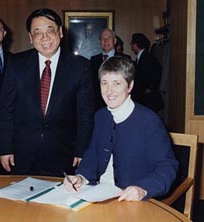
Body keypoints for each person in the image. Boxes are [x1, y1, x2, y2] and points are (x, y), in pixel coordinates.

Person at [64, 56, 178, 201]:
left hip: (133, 200)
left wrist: (143, 189)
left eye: (117, 83)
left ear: (130, 86)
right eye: (104, 83)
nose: (109, 91)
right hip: (99, 194)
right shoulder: (100, 116)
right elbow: (92, 155)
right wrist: (81, 177)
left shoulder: (149, 121)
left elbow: (167, 167)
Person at [0, 8, 95, 177]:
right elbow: (6, 110)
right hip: (21, 154)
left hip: (63, 154)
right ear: (30, 37)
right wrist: (5, 148)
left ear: (60, 32)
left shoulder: (81, 67)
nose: (45, 38)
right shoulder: (16, 64)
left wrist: (81, 150)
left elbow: (85, 114)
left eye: (50, 30)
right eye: (38, 33)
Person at [91, 29, 124, 111]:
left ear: (115, 41)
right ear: (100, 42)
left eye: (109, 38)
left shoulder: (124, 59)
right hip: (98, 107)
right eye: (103, 38)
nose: (106, 41)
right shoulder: (93, 60)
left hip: (119, 105)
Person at [130, 33, 164, 113]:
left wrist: (150, 88)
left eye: (131, 43)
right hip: (144, 96)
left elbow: (157, 73)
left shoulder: (147, 57)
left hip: (148, 98)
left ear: (135, 44)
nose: (131, 45)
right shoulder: (144, 56)